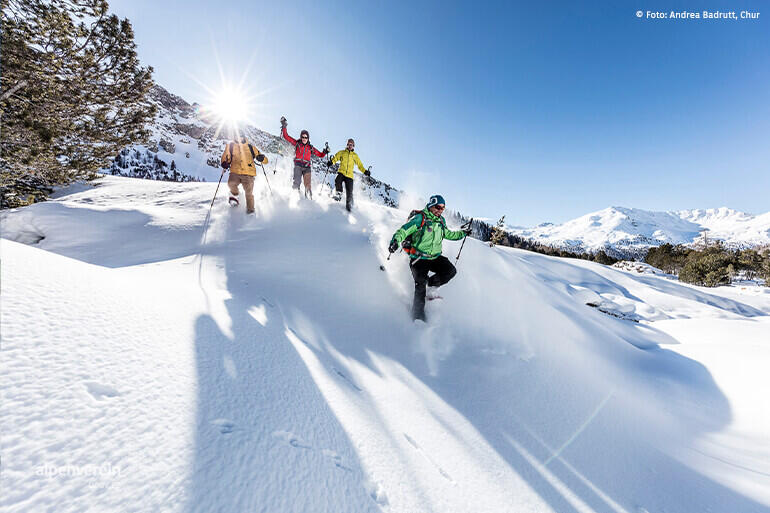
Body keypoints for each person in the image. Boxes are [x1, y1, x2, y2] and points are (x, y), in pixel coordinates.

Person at [388, 195, 471, 321]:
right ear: (431, 205)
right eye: (438, 207)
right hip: (419, 258)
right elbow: (404, 231)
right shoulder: (420, 218)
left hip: (434, 257)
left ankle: (429, 285)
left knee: (450, 271)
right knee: (420, 284)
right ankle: (417, 316)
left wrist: (463, 233)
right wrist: (395, 241)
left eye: (443, 208)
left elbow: (449, 234)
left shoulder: (441, 221)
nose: (440, 210)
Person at [280, 117, 327, 199]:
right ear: (301, 137)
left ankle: (309, 200)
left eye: (306, 137)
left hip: (307, 167)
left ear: (308, 138)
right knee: (297, 182)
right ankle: (295, 198)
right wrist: (284, 126)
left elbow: (320, 155)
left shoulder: (310, 147)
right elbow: (286, 136)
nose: (304, 139)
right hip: (298, 165)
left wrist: (325, 152)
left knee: (308, 184)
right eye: (303, 137)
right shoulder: (297, 143)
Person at [220, 135, 268, 214]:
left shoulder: (250, 147)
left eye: (240, 136)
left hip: (249, 173)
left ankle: (250, 210)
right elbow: (225, 157)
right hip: (235, 172)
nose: (238, 138)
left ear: (243, 137)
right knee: (231, 183)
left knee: (249, 192)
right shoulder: (230, 146)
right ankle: (235, 196)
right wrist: (224, 163)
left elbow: (265, 161)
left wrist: (262, 158)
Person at [327, 138, 370, 211]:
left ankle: (349, 206)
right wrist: (331, 162)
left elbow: (360, 165)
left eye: (351, 145)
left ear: (353, 146)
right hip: (342, 172)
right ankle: (339, 193)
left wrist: (365, 171)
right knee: (338, 179)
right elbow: (335, 158)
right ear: (347, 145)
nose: (350, 146)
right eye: (348, 144)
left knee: (349, 192)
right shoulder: (342, 152)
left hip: (349, 176)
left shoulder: (355, 156)